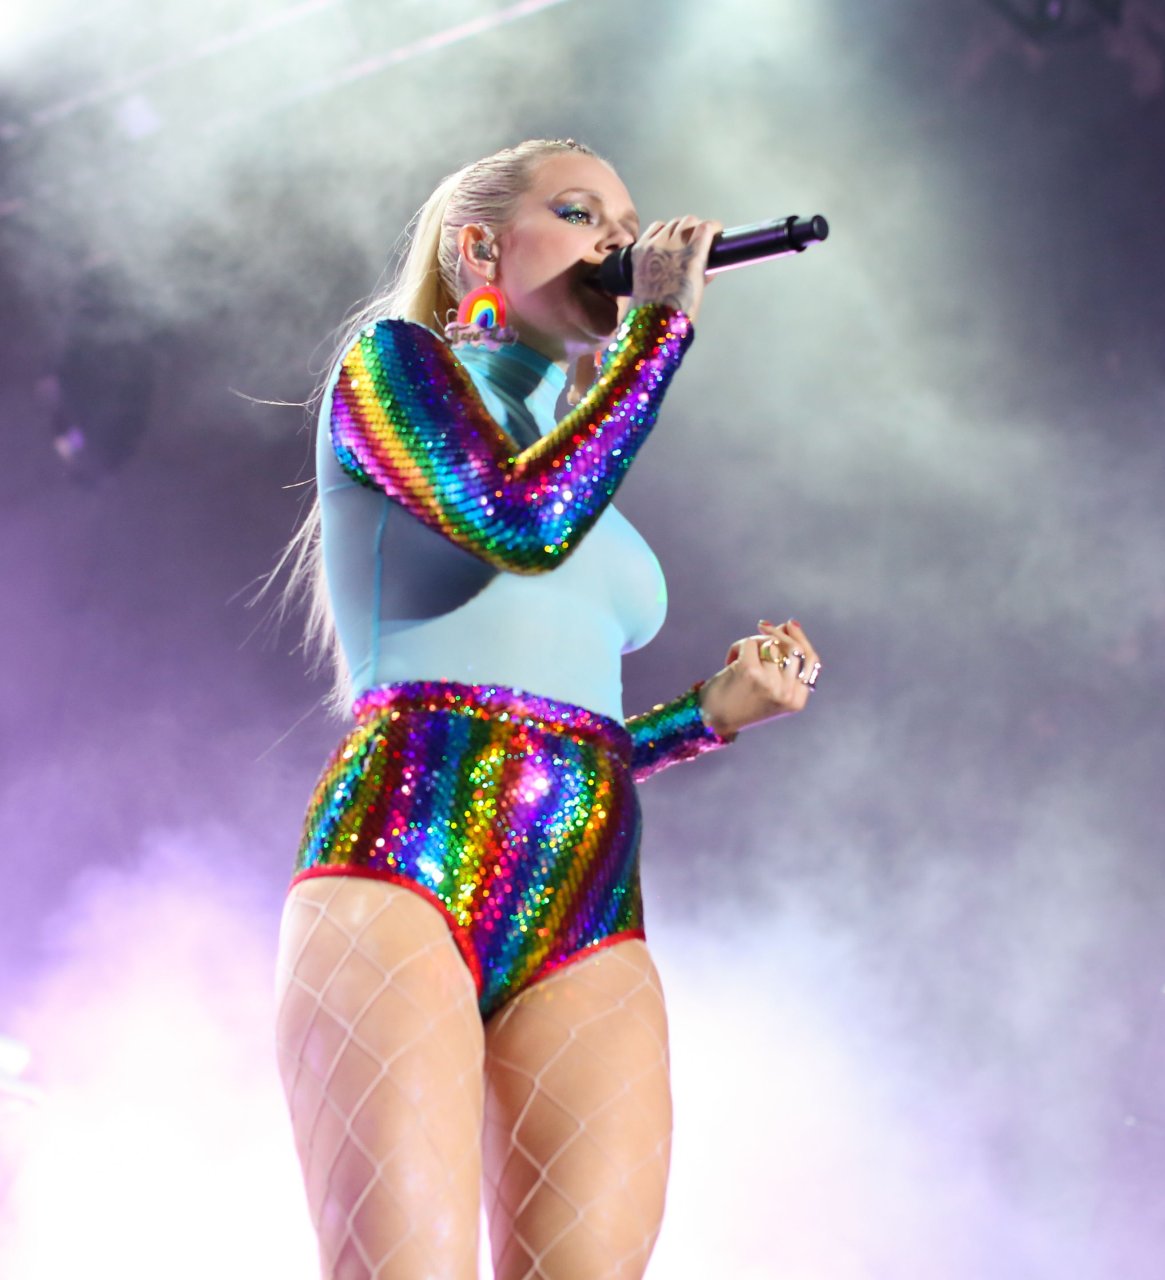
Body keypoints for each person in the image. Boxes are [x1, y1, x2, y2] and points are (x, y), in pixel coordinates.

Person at [269, 136, 821, 1280]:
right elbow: (519, 523)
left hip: (588, 889)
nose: (619, 239)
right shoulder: (393, 367)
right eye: (580, 213)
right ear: (479, 249)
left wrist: (708, 713)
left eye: (626, 221)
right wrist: (658, 333)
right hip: (403, 860)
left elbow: (562, 734)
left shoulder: (578, 467)